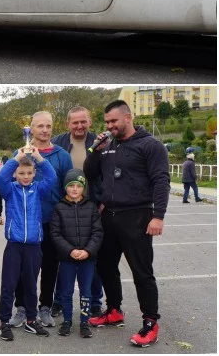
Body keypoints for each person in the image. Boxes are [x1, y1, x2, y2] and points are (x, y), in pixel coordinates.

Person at [84, 100, 170, 348]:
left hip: (138, 215)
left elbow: (161, 181)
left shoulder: (150, 145)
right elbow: (91, 173)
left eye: (114, 121)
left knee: (142, 272)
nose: (110, 126)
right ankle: (114, 310)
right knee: (106, 266)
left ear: (128, 118)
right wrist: (95, 149)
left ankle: (150, 322)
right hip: (109, 215)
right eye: (107, 122)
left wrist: (158, 215)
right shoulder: (108, 145)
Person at [10, 112, 72, 329]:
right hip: (25, 222)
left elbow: (68, 187)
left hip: (51, 220)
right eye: (40, 126)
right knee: (22, 268)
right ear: (31, 129)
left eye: (48, 126)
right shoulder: (20, 153)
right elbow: (9, 184)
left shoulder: (62, 155)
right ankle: (22, 308)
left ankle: (45, 307)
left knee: (49, 265)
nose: (45, 130)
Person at [0, 150, 57, 341]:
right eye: (21, 173)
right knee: (9, 285)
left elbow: (52, 177)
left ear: (34, 173)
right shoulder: (9, 190)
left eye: (29, 173)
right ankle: (4, 322)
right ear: (15, 173)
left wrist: (38, 158)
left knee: (31, 285)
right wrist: (15, 160)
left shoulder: (38, 189)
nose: (25, 177)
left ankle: (31, 320)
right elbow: (1, 178)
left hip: (33, 246)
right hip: (14, 245)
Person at [50, 106, 103, 315]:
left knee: (93, 256)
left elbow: (105, 173)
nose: (79, 126)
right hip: (64, 207)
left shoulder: (99, 142)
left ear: (89, 121)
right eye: (75, 122)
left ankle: (95, 302)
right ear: (68, 124)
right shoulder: (58, 142)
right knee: (62, 257)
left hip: (91, 206)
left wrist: (103, 199)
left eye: (83, 121)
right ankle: (59, 301)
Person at [49, 169, 103, 338]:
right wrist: (70, 250)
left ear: (83, 188)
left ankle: (84, 322)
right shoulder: (59, 208)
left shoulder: (91, 207)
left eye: (78, 186)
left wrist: (88, 251)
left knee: (86, 291)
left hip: (87, 258)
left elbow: (97, 232)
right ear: (65, 187)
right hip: (67, 259)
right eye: (70, 185)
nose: (74, 189)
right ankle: (67, 320)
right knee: (66, 291)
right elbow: (55, 234)